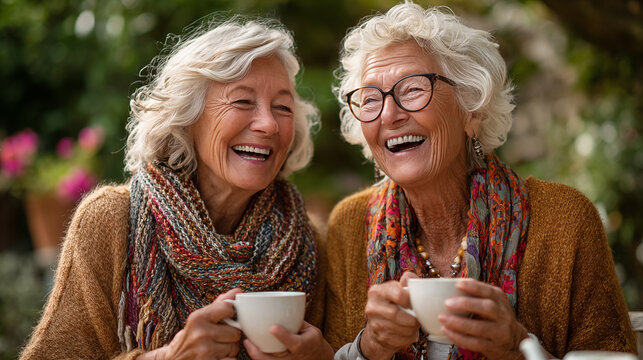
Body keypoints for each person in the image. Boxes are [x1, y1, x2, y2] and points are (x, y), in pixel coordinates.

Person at [324, 1, 637, 359]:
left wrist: (518, 349)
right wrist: (369, 347)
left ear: (472, 108)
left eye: (412, 89)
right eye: (370, 99)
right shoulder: (349, 227)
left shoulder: (564, 222)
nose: (389, 115)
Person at [20, 16, 333, 360]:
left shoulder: (305, 242)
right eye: (242, 102)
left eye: (283, 107)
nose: (269, 124)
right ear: (188, 115)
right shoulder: (110, 221)